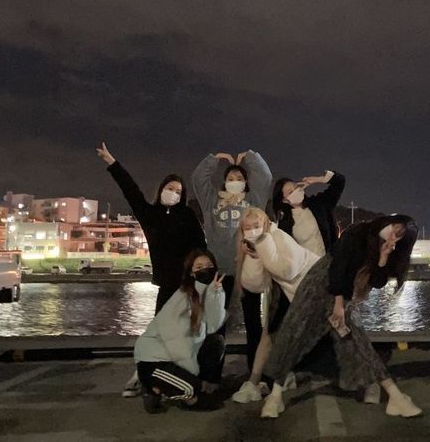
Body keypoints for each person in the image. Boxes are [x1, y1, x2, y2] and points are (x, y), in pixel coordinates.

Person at [261, 214, 423, 419]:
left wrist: (382, 258)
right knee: (296, 333)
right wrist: (339, 303)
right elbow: (339, 267)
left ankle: (394, 396)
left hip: (343, 294)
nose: (393, 235)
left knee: (356, 339)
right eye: (395, 228)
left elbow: (379, 282)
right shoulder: (359, 232)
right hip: (320, 285)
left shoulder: (387, 248)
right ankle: (274, 397)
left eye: (400, 236)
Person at [97, 142, 206, 396]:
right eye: (170, 188)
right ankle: (143, 376)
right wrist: (113, 163)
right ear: (161, 190)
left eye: (178, 190)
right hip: (167, 284)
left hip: (188, 284)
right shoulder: (150, 214)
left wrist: (204, 276)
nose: (174, 193)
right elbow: (130, 191)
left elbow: (200, 247)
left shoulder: (187, 215)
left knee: (187, 332)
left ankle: (177, 376)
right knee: (157, 331)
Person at [192, 150, 272, 371]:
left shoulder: (254, 201)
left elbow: (265, 178)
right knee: (216, 324)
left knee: (254, 323)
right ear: (224, 182)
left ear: (246, 182)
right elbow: (199, 179)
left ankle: (256, 375)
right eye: (230, 179)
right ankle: (212, 375)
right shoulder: (211, 201)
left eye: (239, 179)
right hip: (220, 271)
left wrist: (251, 157)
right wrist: (214, 159)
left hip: (248, 269)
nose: (234, 182)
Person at [232, 207, 320, 403]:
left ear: (265, 224)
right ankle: (257, 381)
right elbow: (255, 284)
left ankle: (371, 379)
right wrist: (254, 256)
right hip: (288, 292)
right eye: (247, 227)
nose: (253, 230)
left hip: (314, 287)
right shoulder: (254, 247)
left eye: (256, 225)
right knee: (269, 334)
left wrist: (263, 249)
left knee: (338, 332)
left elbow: (288, 270)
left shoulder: (278, 236)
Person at [135, 249, 227, 414]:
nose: (205, 269)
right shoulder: (183, 297)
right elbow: (175, 340)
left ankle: (180, 387)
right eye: (199, 266)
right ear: (192, 272)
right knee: (191, 390)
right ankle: (151, 388)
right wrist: (193, 375)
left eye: (209, 265)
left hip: (177, 355)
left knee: (216, 342)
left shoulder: (210, 291)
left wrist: (216, 294)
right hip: (155, 358)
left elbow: (213, 326)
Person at [272, 170, 346, 257]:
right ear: (284, 200)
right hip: (308, 268)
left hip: (331, 263)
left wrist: (318, 179)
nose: (295, 191)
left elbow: (340, 182)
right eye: (290, 192)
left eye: (296, 187)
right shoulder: (285, 223)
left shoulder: (319, 204)